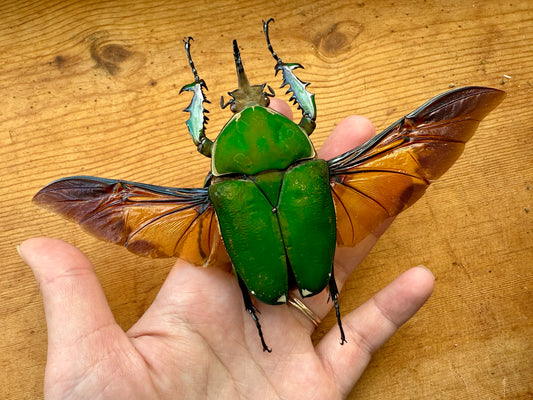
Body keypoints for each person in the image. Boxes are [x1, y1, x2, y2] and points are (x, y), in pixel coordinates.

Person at [19, 98, 435, 399]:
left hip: (262, 283)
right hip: (313, 271)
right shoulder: (317, 171)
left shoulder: (218, 192)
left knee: (222, 254)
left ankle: (260, 311)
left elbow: (122, 200)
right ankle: (321, 303)